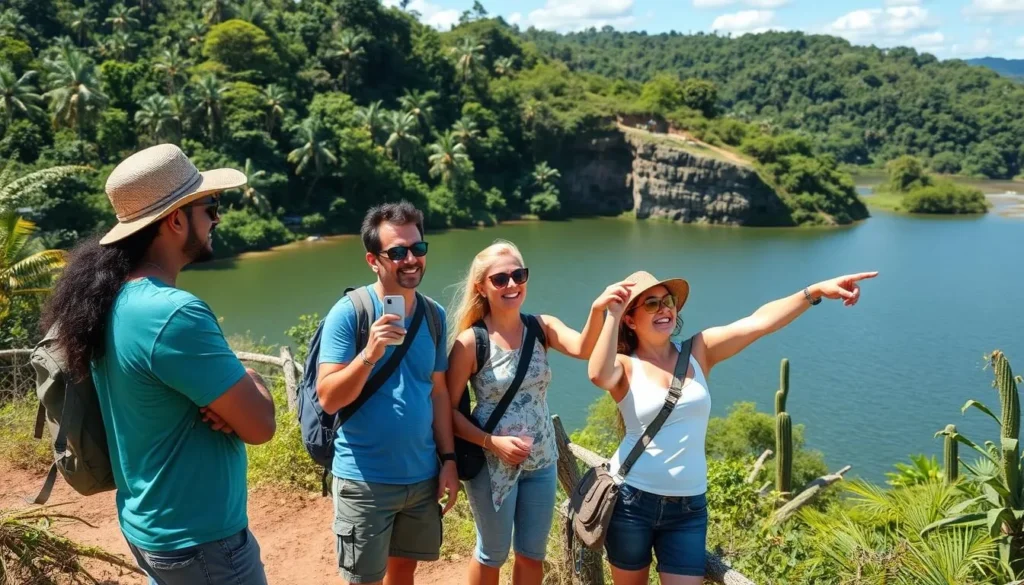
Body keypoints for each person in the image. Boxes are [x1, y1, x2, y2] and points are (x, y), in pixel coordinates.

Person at [40, 144, 276, 585]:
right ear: (175, 220)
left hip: (149, 526)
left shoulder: (109, 300)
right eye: (211, 207)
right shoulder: (172, 313)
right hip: (203, 541)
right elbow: (260, 425)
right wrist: (251, 378)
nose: (217, 219)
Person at [587, 269, 877, 585]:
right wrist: (610, 314)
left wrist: (814, 291)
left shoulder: (699, 350)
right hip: (632, 502)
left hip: (688, 508)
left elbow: (760, 322)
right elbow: (598, 374)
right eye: (651, 304)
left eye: (668, 301)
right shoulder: (626, 365)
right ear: (631, 319)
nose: (665, 309)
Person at [445, 240, 630, 585]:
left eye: (519, 275)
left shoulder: (540, 327)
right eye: (500, 279)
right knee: (493, 553)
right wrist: (491, 442)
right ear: (481, 288)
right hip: (492, 466)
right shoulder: (472, 342)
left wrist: (598, 310)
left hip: (542, 461)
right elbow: (446, 409)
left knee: (532, 553)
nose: (512, 284)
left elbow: (582, 348)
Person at [316, 201, 459, 585]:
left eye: (418, 248)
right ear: (373, 260)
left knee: (404, 573)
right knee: (363, 581)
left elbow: (439, 393)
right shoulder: (349, 313)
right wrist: (370, 353)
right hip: (365, 481)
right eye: (397, 252)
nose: (410, 259)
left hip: (421, 477)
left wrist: (448, 459)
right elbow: (328, 397)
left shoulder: (434, 315)